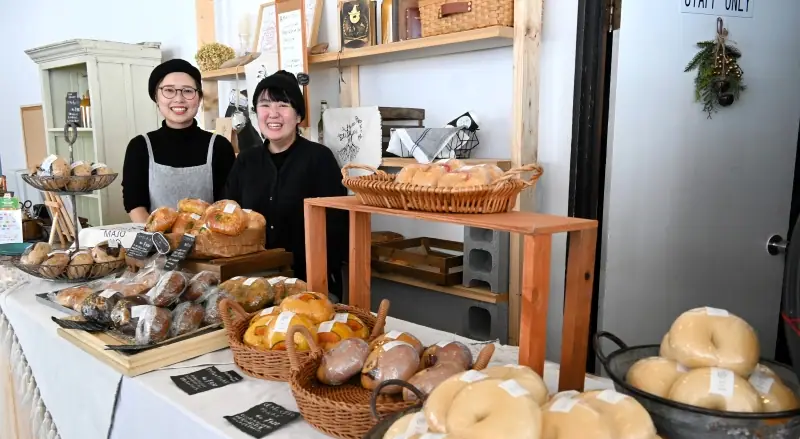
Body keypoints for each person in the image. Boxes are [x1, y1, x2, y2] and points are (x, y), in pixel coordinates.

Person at [224, 70, 348, 301]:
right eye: (265, 105)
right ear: (256, 113)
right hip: (253, 282)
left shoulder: (319, 158)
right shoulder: (246, 161)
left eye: (283, 105)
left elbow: (337, 227)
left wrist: (318, 280)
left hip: (308, 282)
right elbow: (231, 219)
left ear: (298, 115)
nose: (273, 114)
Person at [122, 59, 236, 223]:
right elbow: (135, 204)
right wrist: (157, 239)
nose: (179, 99)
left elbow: (225, 204)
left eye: (188, 91)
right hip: (155, 243)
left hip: (208, 244)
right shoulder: (139, 146)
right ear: (156, 96)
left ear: (199, 97)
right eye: (169, 90)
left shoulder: (219, 146)